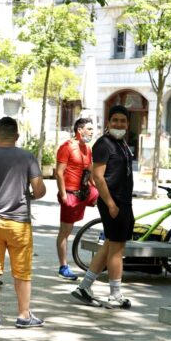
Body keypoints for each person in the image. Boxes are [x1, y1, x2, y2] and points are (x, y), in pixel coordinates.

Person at [0, 117, 46, 329]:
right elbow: (39, 190)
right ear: (17, 136)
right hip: (19, 223)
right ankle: (23, 316)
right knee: (22, 271)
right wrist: (29, 195)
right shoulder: (27, 157)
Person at [71, 105, 134, 309]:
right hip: (112, 201)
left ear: (128, 124)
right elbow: (97, 176)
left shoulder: (122, 143)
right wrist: (110, 204)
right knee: (117, 249)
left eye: (123, 121)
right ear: (108, 122)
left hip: (123, 201)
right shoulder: (104, 144)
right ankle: (115, 294)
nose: (119, 124)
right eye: (115, 120)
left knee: (110, 245)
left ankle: (85, 286)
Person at [55, 118, 98, 280]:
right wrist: (64, 195)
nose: (92, 132)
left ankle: (108, 237)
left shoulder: (87, 148)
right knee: (65, 231)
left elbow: (90, 171)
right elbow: (59, 173)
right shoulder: (67, 147)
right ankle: (63, 267)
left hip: (85, 191)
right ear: (79, 130)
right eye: (89, 129)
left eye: (93, 129)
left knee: (106, 201)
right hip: (70, 193)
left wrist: (98, 188)